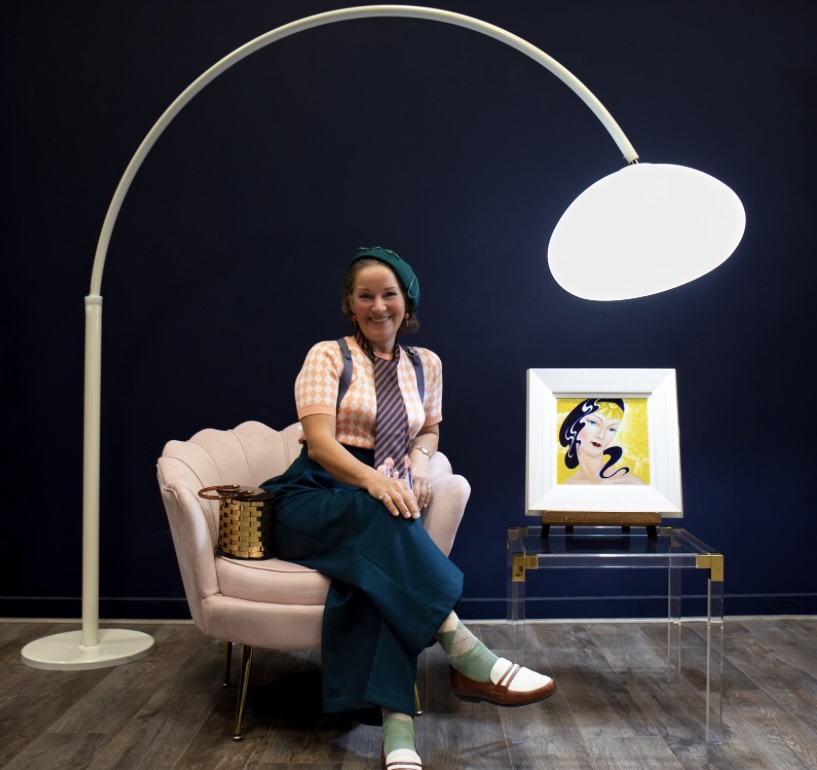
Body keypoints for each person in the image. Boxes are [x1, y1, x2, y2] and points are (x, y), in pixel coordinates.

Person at [262, 247, 556, 770]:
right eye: (365, 296)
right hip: (312, 495)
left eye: (388, 295)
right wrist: (377, 481)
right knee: (387, 515)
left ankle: (398, 732)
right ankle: (467, 654)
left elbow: (428, 431)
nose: (378, 306)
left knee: (375, 578)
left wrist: (419, 462)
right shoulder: (328, 356)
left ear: (407, 301)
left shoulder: (427, 364)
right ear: (350, 304)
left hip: (374, 502)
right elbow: (321, 444)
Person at [559, 398, 645, 485]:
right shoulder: (565, 486)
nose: (601, 436)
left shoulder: (631, 483)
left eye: (612, 429)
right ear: (574, 425)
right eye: (593, 422)